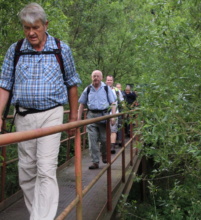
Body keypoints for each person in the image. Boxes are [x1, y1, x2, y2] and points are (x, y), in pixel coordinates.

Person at [0, 3, 81, 220]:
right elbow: (4, 85)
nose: (31, 33)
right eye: (26, 28)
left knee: (45, 169)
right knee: (26, 172)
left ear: (46, 25)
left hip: (52, 114)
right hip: (23, 116)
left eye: (35, 27)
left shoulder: (60, 49)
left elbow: (72, 84)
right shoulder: (15, 50)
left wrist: (73, 118)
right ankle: (39, 214)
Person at [78, 70, 116, 169]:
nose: (96, 78)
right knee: (92, 141)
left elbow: (113, 103)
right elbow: (82, 104)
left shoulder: (106, 89)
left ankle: (104, 154)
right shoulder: (88, 89)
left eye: (97, 76)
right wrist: (78, 119)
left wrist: (113, 117)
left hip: (104, 116)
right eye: (94, 76)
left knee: (104, 140)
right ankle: (95, 161)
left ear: (101, 78)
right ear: (91, 77)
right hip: (91, 117)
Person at [106, 76, 124, 153]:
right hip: (104, 113)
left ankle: (112, 147)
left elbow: (122, 101)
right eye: (108, 80)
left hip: (114, 113)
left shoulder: (117, 91)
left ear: (113, 81)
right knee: (105, 131)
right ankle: (104, 146)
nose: (109, 81)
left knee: (113, 130)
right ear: (106, 81)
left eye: (111, 80)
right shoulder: (102, 89)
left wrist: (124, 111)